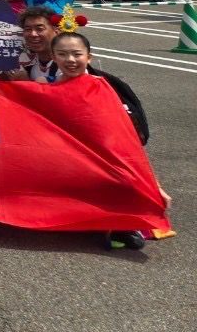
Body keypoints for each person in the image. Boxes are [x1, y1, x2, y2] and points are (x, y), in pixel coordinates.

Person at [48, 30, 171, 249]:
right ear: (54, 57)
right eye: (62, 54)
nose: (70, 60)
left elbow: (126, 142)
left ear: (89, 57)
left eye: (76, 54)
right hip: (67, 162)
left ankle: (121, 225)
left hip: (104, 161)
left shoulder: (103, 89)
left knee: (122, 178)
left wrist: (154, 184)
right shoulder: (48, 90)